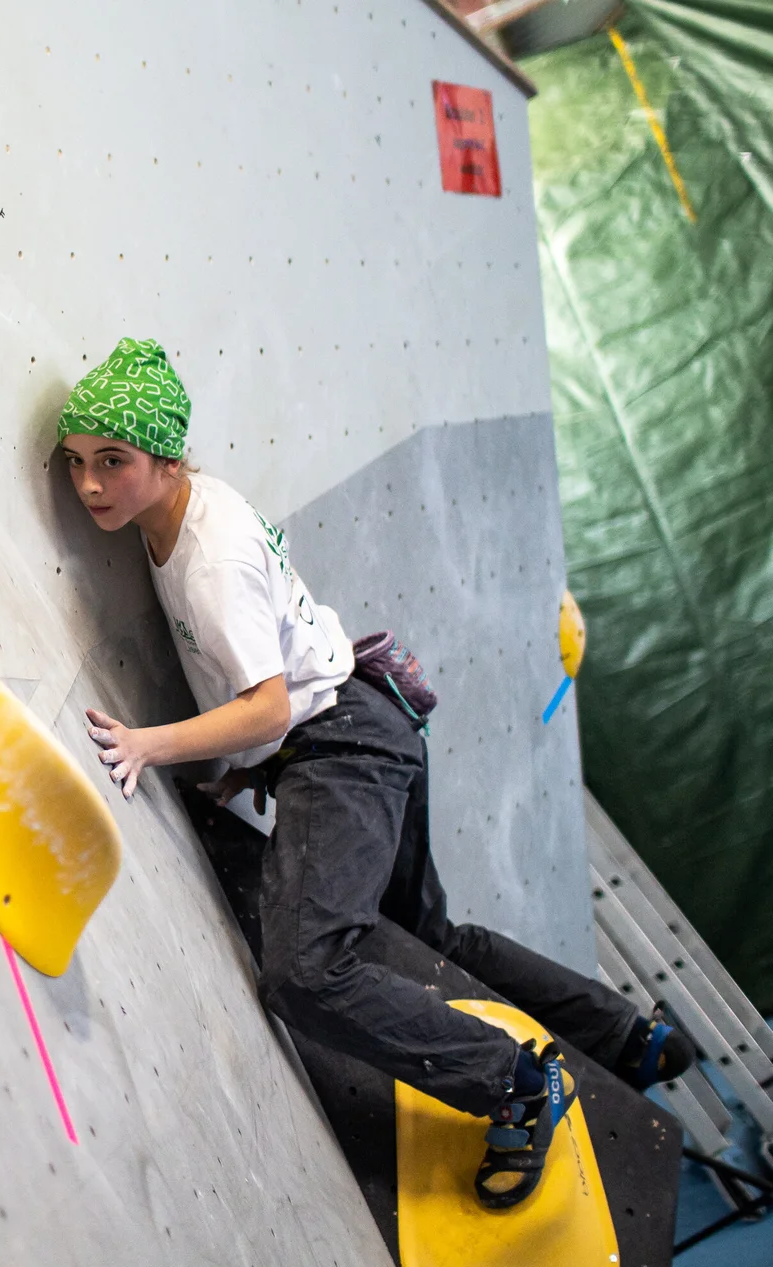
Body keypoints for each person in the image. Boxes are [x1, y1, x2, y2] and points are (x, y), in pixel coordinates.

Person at [58, 338, 692, 1209]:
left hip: (341, 746)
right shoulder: (189, 511)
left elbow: (269, 706)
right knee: (425, 937)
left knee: (306, 971)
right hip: (362, 716)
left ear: (167, 459)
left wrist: (147, 745)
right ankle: (626, 1038)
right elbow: (274, 677)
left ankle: (514, 1083)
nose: (90, 485)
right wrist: (248, 768)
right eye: (76, 462)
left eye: (112, 461)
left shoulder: (210, 561)